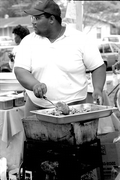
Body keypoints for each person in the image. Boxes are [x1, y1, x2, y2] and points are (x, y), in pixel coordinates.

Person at [14, 0, 106, 117]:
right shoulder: (28, 41)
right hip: (36, 108)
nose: (33, 22)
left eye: (37, 18)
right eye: (32, 18)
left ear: (51, 19)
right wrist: (34, 85)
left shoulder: (80, 39)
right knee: (34, 136)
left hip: (75, 108)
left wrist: (98, 89)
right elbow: (20, 70)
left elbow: (98, 66)